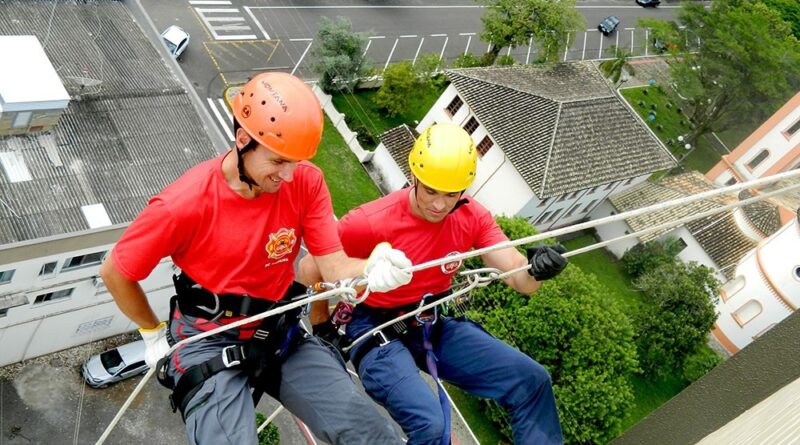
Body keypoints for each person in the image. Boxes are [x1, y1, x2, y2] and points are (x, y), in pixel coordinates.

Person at [99, 72, 412, 445]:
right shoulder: (184, 204)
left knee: (373, 435)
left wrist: (371, 267)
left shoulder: (305, 183)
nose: (291, 175)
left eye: (296, 161)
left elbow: (333, 265)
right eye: (279, 161)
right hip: (207, 336)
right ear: (243, 139)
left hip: (278, 327)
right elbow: (116, 272)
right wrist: (153, 336)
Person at [299, 123, 568, 445]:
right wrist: (321, 324)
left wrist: (537, 270)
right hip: (374, 328)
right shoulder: (369, 221)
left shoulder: (472, 218)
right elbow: (311, 265)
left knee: (532, 380)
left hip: (431, 322)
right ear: (413, 178)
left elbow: (519, 278)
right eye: (430, 191)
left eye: (451, 194)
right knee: (431, 427)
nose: (440, 205)